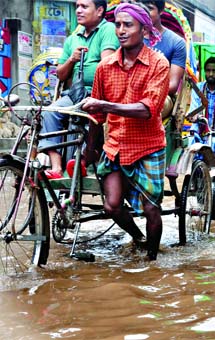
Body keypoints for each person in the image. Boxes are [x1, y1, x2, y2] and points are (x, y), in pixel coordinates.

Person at [82, 2, 170, 261]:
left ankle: (152, 261)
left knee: (151, 209)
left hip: (148, 145)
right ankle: (138, 237)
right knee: (111, 205)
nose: (120, 30)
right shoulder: (104, 67)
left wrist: (105, 105)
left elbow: (148, 109)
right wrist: (90, 149)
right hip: (116, 144)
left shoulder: (159, 64)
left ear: (144, 30)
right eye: (117, 24)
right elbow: (96, 117)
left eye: (128, 25)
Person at [39, 0, 119, 179]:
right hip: (74, 93)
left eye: (84, 7)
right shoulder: (72, 38)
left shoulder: (108, 31)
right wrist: (72, 60)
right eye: (77, 7)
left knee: (92, 114)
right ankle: (56, 166)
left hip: (97, 93)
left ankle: (83, 159)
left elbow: (108, 66)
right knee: (49, 113)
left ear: (99, 11)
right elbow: (60, 75)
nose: (78, 11)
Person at [140, 0, 185, 118]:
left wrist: (144, 91)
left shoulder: (176, 42)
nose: (144, 12)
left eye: (149, 8)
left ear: (161, 11)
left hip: (161, 96)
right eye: (140, 7)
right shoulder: (129, 37)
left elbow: (172, 85)